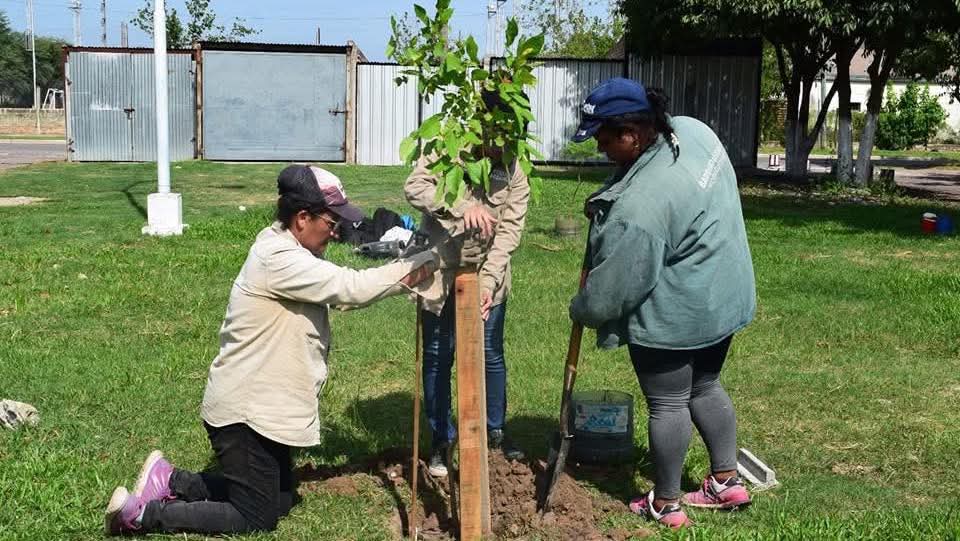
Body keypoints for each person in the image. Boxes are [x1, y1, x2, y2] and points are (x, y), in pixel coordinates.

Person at [104, 165, 437, 535]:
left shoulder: (291, 248)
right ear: (302, 218)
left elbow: (337, 293)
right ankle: (139, 516)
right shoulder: (279, 260)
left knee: (279, 499)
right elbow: (350, 289)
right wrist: (427, 263)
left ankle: (171, 480)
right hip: (243, 415)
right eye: (331, 221)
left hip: (263, 408)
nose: (337, 230)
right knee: (255, 518)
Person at [568, 78, 756, 529]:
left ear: (632, 134)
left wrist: (581, 306)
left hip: (680, 312)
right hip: (724, 295)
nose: (599, 147)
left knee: (668, 402)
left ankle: (666, 504)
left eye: (604, 137)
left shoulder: (641, 207)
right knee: (705, 385)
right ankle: (725, 481)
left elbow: (611, 293)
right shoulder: (690, 131)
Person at [404, 91, 530, 477]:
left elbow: (508, 232)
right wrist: (462, 208)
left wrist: (489, 284)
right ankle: (441, 439)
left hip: (488, 274)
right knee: (440, 354)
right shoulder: (447, 151)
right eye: (498, 133)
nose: (503, 144)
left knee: (491, 353)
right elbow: (415, 186)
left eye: (513, 135)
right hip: (442, 272)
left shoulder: (513, 172)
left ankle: (494, 432)